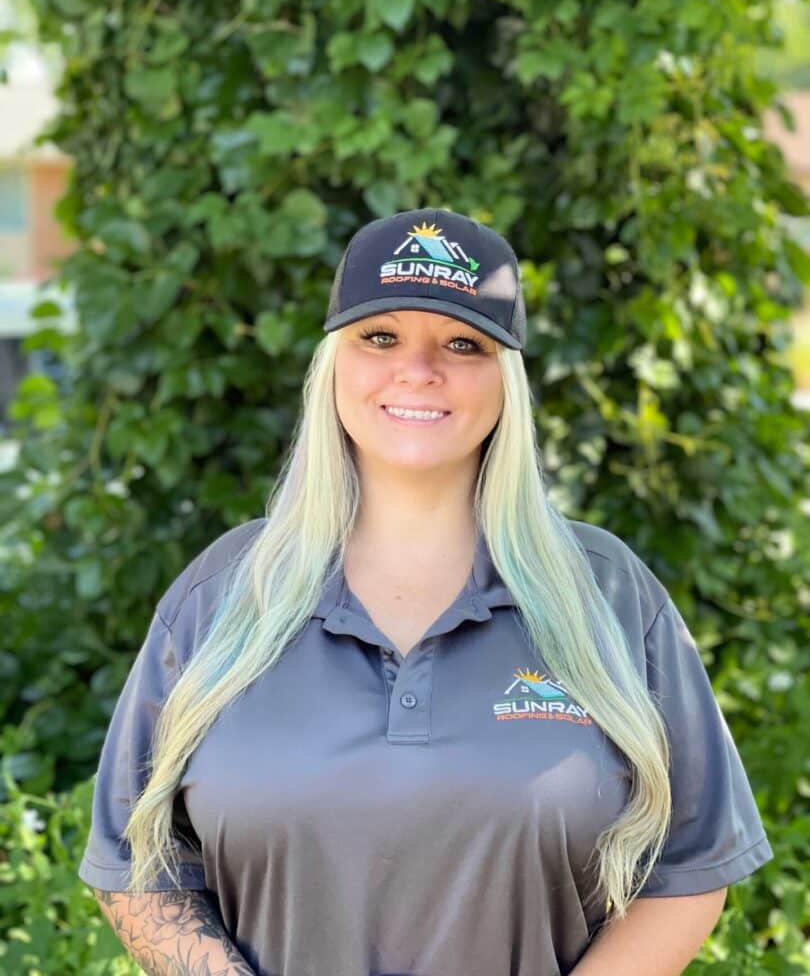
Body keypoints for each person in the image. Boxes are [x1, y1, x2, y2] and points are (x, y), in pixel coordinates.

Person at [78, 208, 774, 976]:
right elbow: (137, 865)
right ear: (332, 364)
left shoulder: (607, 595)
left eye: (463, 343)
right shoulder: (223, 595)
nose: (418, 369)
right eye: (380, 337)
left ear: (505, 377)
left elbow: (691, 867)